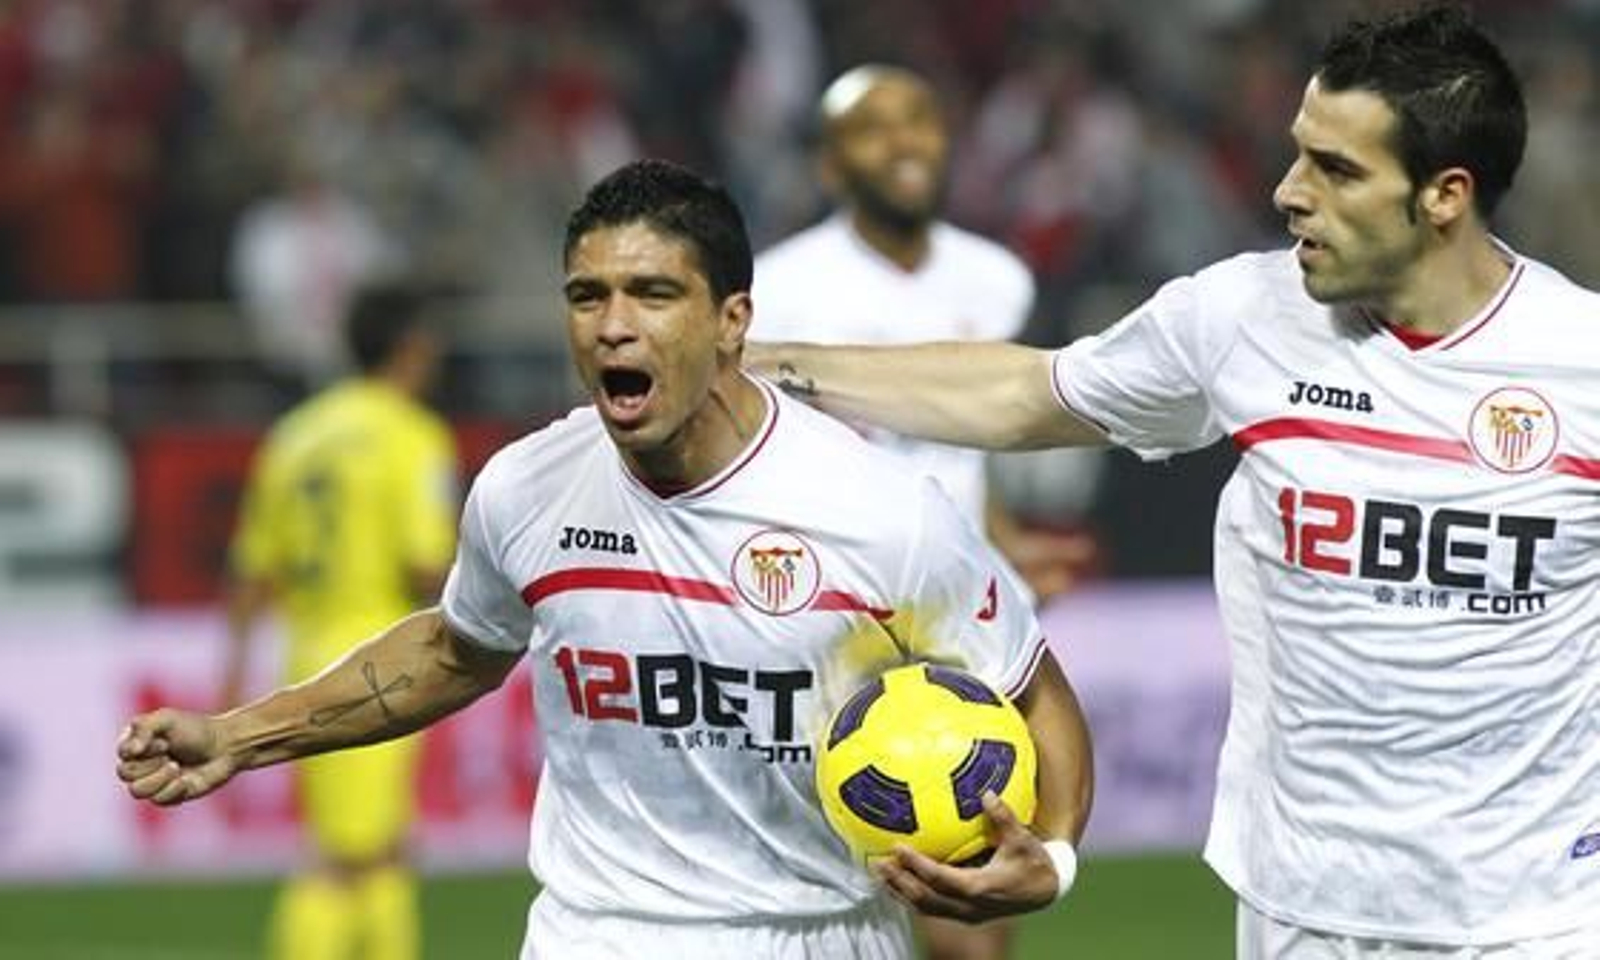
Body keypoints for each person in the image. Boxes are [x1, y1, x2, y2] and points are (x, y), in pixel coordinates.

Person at [748, 7, 1600, 956]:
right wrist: (759, 364)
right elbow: (1025, 393)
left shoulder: (1581, 363)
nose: (1290, 192)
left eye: (1338, 169)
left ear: (1445, 194)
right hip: (1303, 909)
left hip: (1542, 918)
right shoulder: (1241, 316)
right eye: (1298, 153)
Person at [119, 159, 1095, 959]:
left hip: (816, 934)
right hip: (592, 935)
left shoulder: (880, 512)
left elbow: (1032, 690)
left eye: (653, 293)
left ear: (732, 321)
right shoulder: (526, 487)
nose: (613, 324)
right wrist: (240, 736)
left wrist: (1051, 859)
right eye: (588, 295)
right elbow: (455, 651)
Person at [751, 64, 1091, 960]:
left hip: (952, 623)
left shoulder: (997, 279)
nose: (903, 142)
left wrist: (1009, 555)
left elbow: (966, 457)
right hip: (830, 625)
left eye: (920, 120)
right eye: (873, 127)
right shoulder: (780, 290)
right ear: (830, 165)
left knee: (978, 905)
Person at [221, 283, 458, 960]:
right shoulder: (413, 436)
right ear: (411, 348)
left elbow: (252, 570)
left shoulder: (296, 434)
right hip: (380, 656)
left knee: (362, 847)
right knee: (358, 857)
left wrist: (233, 669)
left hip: (307, 649)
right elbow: (423, 566)